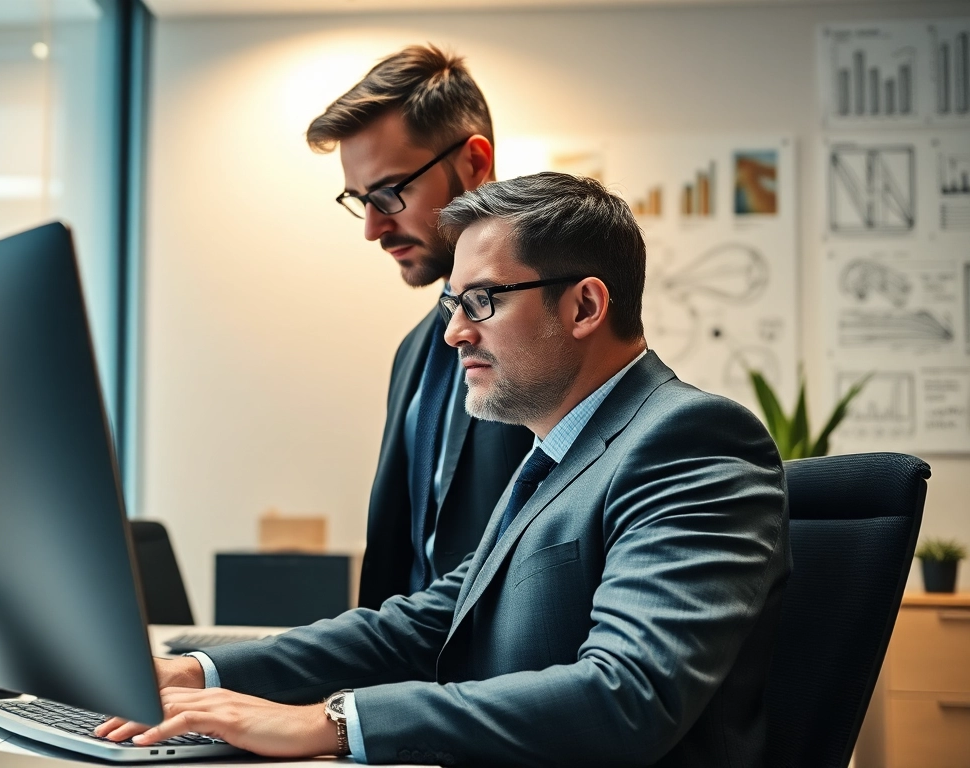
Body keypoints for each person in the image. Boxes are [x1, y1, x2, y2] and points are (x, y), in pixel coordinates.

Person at [96, 173, 791, 767]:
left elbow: (627, 694)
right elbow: (421, 625)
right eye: (452, 303)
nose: (457, 331)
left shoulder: (689, 442)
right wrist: (196, 671)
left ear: (584, 305)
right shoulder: (557, 456)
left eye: (482, 301)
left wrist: (330, 722)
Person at [313, 44, 533, 606]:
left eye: (389, 192)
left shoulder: (546, 332)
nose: (372, 227)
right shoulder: (416, 350)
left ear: (475, 163)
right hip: (401, 676)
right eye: (359, 199)